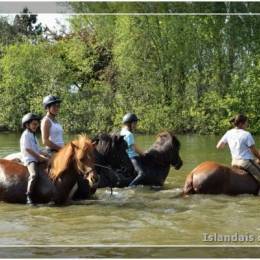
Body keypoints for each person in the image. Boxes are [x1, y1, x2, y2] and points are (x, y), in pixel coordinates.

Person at [216, 114, 260, 183]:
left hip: (234, 162)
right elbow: (254, 151)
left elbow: (219, 146)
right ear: (240, 124)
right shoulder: (246, 134)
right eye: (246, 122)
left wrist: (232, 142)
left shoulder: (229, 133)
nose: (247, 124)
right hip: (245, 163)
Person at [20, 113, 49, 205]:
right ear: (27, 125)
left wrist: (47, 154)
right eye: (34, 124)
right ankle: (28, 195)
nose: (36, 126)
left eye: (37, 124)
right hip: (30, 159)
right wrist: (39, 157)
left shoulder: (33, 136)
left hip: (36, 158)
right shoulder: (25, 135)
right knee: (34, 175)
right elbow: (27, 149)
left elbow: (38, 149)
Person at [120, 113, 145, 186]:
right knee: (142, 173)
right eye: (135, 123)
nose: (136, 125)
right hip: (132, 157)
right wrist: (143, 153)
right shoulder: (129, 134)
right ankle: (130, 186)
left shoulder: (122, 132)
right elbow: (134, 148)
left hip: (125, 156)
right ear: (129, 124)